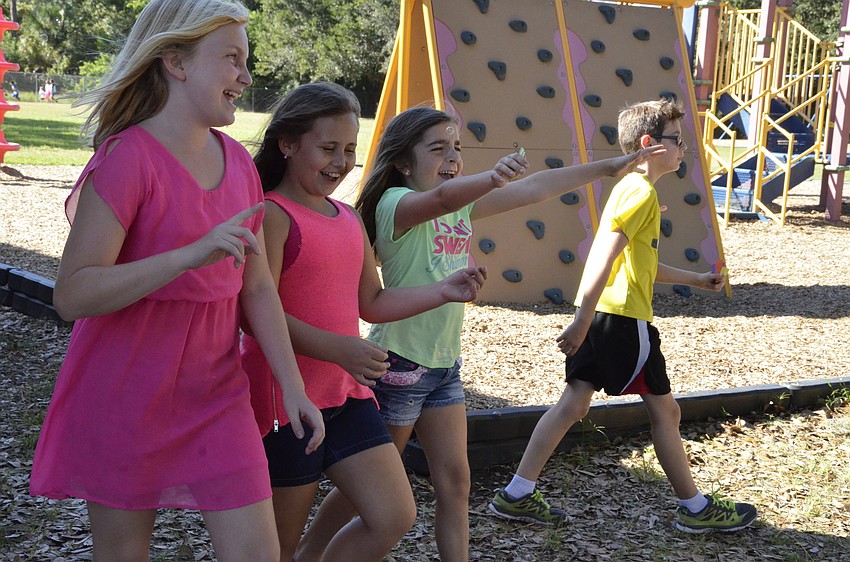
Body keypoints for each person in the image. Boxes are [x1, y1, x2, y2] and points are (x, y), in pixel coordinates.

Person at [296, 105, 665, 561]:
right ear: (403, 163)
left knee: (456, 482)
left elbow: (532, 189)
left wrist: (606, 167)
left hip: (444, 367)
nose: (452, 157)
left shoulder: (461, 204)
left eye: (457, 148)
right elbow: (442, 200)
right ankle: (308, 553)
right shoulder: (396, 204)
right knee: (366, 488)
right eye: (438, 149)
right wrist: (493, 177)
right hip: (398, 366)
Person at [28, 1, 324, 560]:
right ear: (175, 62)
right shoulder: (126, 158)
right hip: (123, 394)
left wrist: (292, 385)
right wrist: (187, 257)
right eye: (232, 58)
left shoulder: (239, 164)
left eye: (247, 59)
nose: (246, 75)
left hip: (217, 394)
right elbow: (73, 294)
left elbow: (257, 288)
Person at [242, 82, 488, 562]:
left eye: (350, 149)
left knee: (394, 515)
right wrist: (339, 349)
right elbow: (255, 315)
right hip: (284, 399)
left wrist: (443, 289)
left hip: (346, 395)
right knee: (280, 545)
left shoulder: (349, 218)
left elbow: (371, 304)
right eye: (328, 148)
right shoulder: (272, 214)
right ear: (288, 145)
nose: (340, 160)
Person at [488, 98, 758, 534]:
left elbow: (640, 263)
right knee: (665, 413)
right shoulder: (641, 192)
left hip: (606, 317)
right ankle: (694, 507)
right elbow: (604, 256)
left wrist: (694, 279)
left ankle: (516, 493)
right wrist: (580, 318)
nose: (683, 147)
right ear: (650, 145)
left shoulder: (631, 191)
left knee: (573, 404)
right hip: (624, 322)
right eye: (676, 140)